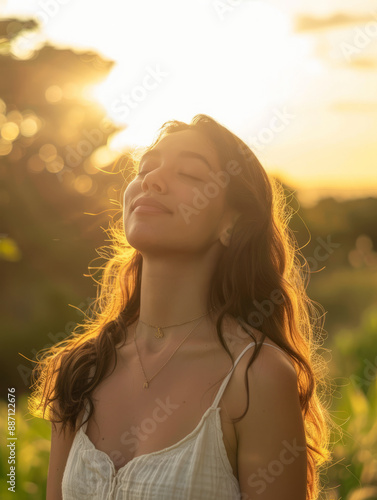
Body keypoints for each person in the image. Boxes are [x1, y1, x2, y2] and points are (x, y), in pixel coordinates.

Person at [29, 114, 333, 499]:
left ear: (232, 224)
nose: (150, 180)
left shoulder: (255, 376)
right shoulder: (79, 369)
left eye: (189, 174)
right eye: (145, 168)